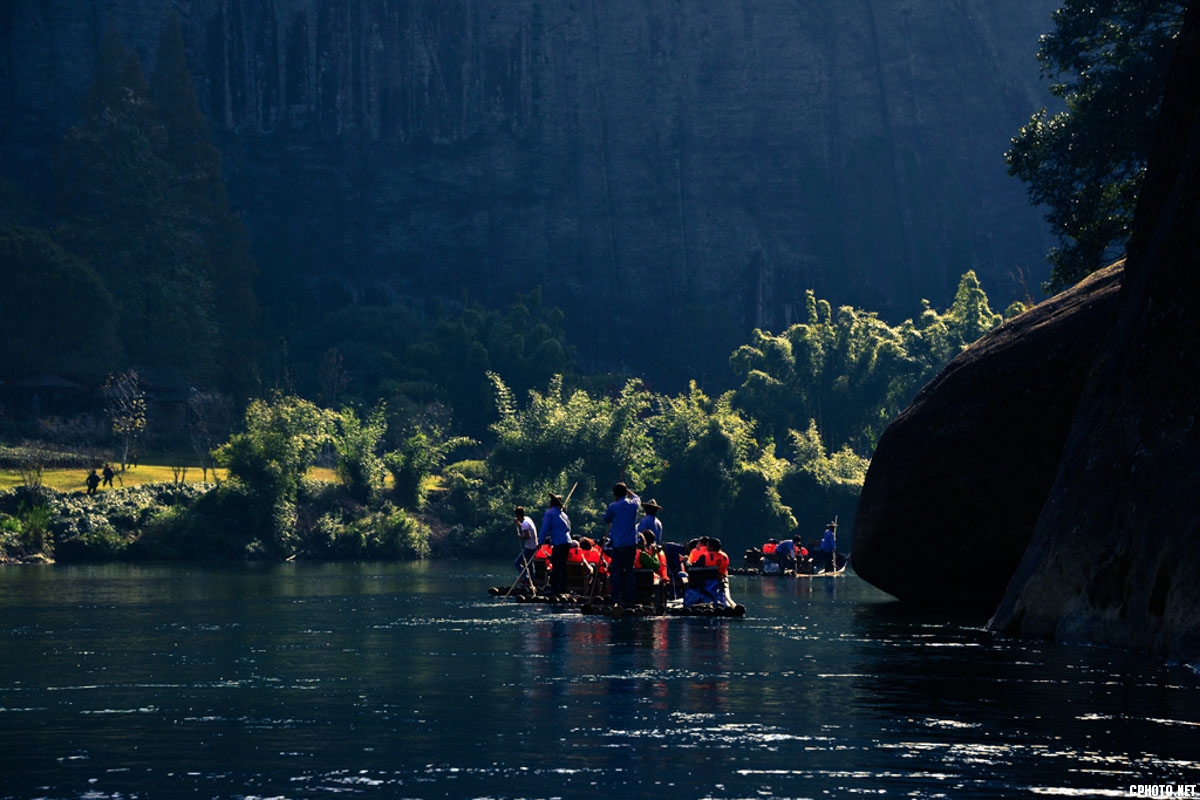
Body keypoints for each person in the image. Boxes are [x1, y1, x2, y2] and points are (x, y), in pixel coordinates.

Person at [603, 482, 641, 605]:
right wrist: (628, 491)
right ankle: (630, 597)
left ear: (615, 495)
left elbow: (606, 519)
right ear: (626, 493)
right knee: (629, 571)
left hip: (618, 544)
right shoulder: (633, 505)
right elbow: (637, 498)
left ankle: (615, 596)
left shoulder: (613, 506)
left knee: (616, 571)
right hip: (631, 544)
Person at [542, 492, 573, 595]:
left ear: (551, 503)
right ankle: (562, 588)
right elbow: (568, 528)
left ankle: (554, 589)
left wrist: (540, 541)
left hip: (559, 542)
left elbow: (545, 528)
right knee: (562, 566)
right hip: (567, 541)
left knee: (555, 565)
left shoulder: (549, 513)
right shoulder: (563, 514)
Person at [513, 506, 539, 588]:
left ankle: (527, 579)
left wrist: (520, 537)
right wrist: (518, 524)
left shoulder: (525, 523)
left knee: (517, 563)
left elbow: (528, 535)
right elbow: (525, 527)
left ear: (518, 516)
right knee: (529, 564)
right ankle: (531, 580)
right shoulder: (527, 519)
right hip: (534, 545)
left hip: (530, 547)